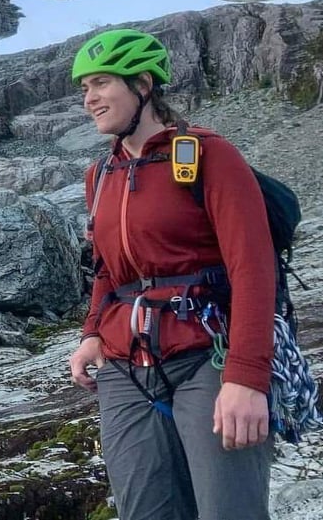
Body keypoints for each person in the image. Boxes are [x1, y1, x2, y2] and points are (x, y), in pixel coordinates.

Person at [67, 27, 275, 520]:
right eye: (84, 89)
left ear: (141, 84)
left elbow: (253, 268)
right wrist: (93, 332)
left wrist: (247, 379)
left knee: (230, 512)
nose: (89, 99)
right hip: (125, 368)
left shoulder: (207, 155)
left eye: (100, 84)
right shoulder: (101, 175)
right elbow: (105, 268)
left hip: (206, 356)